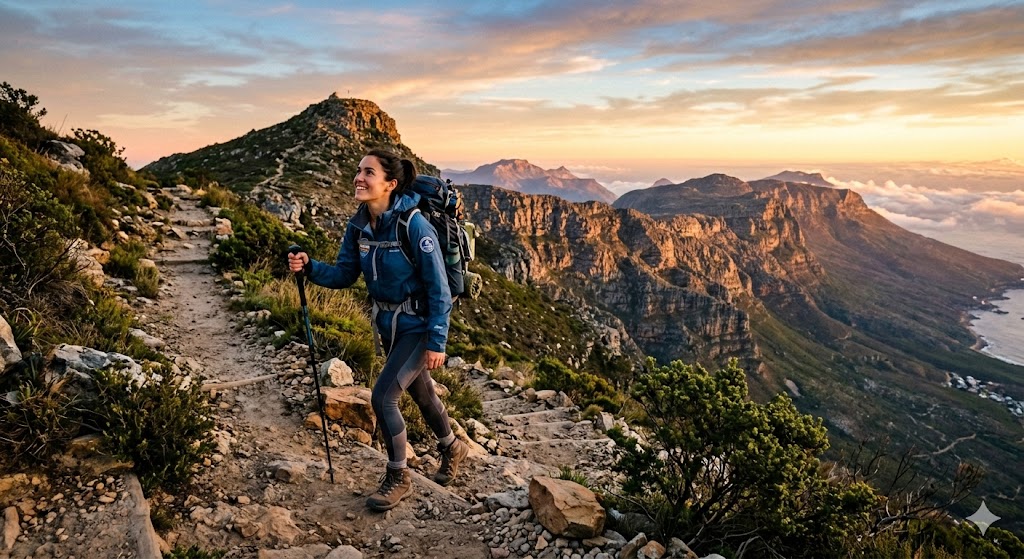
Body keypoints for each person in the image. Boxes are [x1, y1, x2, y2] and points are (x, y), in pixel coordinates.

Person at [287, 149, 469, 511]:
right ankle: (452, 447)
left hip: (417, 326)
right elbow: (344, 274)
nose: (358, 177)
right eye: (358, 171)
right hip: (389, 327)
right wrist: (309, 268)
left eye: (368, 172)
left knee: (383, 398)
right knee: (421, 393)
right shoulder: (359, 226)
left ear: (390, 183)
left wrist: (437, 341)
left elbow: (439, 289)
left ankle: (398, 475)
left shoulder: (414, 225)